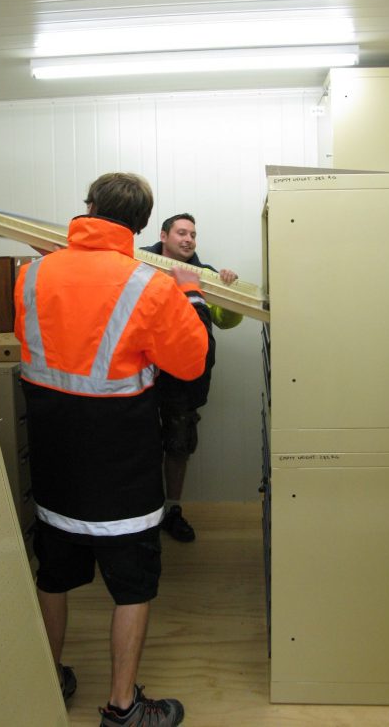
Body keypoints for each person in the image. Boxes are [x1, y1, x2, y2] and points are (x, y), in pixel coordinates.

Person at [14, 174, 211, 727]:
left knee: (52, 574)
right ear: (144, 226)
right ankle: (122, 709)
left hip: (52, 457)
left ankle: (49, 680)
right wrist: (189, 293)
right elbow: (190, 365)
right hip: (121, 463)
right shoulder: (150, 285)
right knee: (132, 586)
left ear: (89, 208)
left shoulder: (31, 275)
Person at [142, 213, 242, 542]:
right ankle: (141, 513)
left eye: (193, 235)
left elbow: (227, 321)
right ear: (164, 235)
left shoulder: (206, 275)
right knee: (137, 445)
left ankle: (172, 511)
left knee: (177, 446)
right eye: (182, 232)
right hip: (140, 373)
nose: (188, 239)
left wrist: (229, 290)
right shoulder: (138, 262)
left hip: (183, 381)